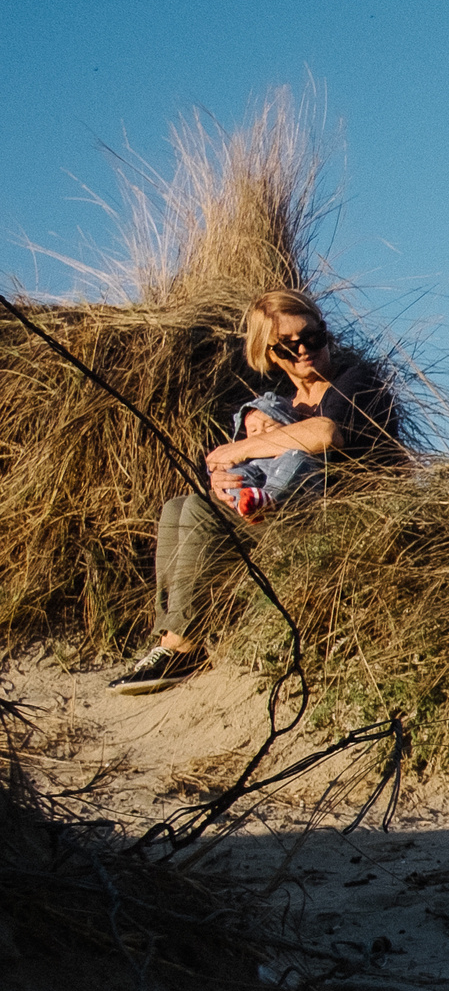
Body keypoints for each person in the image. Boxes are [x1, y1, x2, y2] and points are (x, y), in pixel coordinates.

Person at [108, 289, 396, 695]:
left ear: (324, 331)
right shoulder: (282, 405)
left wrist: (241, 449)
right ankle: (167, 636)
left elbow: (326, 433)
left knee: (200, 511)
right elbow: (258, 463)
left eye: (312, 336)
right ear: (269, 354)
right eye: (288, 345)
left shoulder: (356, 381)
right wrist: (225, 480)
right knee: (177, 507)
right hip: (283, 513)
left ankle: (184, 645)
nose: (304, 350)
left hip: (342, 521)